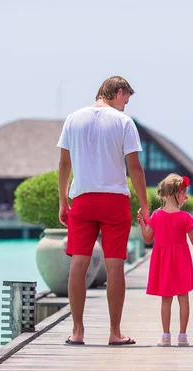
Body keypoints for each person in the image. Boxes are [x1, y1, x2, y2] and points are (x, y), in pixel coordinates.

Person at [57, 76, 149, 346]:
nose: (125, 107)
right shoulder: (123, 123)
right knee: (115, 265)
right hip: (114, 200)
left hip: (83, 199)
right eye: (125, 101)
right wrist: (144, 205)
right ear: (118, 92)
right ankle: (115, 332)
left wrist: (63, 200)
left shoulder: (73, 119)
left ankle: (77, 331)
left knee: (78, 262)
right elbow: (135, 168)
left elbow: (64, 164)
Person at [137, 173, 193, 347]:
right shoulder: (185, 217)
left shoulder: (157, 216)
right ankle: (182, 335)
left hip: (163, 262)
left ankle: (165, 336)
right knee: (183, 297)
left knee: (166, 299)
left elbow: (147, 239)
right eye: (184, 193)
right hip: (181, 261)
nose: (186, 197)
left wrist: (143, 224)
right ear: (177, 194)